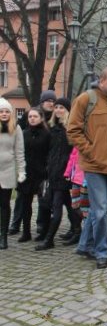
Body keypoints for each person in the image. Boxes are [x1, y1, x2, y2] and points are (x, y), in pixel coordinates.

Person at [67, 67, 107, 269]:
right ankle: (101, 251)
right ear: (102, 81)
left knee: (98, 209)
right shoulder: (86, 99)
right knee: (102, 210)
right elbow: (73, 130)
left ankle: (84, 244)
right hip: (93, 166)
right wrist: (90, 151)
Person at [10, 89, 56, 235]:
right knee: (22, 199)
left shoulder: (53, 119)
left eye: (53, 101)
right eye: (48, 101)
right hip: (28, 166)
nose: (51, 103)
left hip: (42, 168)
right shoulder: (28, 116)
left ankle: (41, 227)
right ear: (42, 102)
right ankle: (17, 224)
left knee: (44, 201)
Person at [35, 98, 78, 250]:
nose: (58, 110)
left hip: (64, 172)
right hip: (53, 171)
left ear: (68, 111)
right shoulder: (52, 128)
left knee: (57, 206)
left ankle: (49, 240)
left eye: (62, 108)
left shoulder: (70, 128)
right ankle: (77, 230)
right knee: (68, 202)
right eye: (57, 107)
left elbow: (73, 152)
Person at [15, 107, 51, 243]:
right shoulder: (23, 133)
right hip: (27, 173)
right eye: (30, 116)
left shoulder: (47, 134)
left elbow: (49, 153)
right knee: (25, 204)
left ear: (41, 118)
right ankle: (26, 232)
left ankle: (44, 232)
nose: (32, 119)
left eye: (35, 116)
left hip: (42, 174)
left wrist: (47, 170)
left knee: (44, 204)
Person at [0, 98, 26, 249]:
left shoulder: (16, 128)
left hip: (8, 170)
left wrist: (21, 170)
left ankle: (3, 237)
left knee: (4, 204)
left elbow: (20, 151)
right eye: (1, 111)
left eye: (6, 111)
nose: (4, 114)